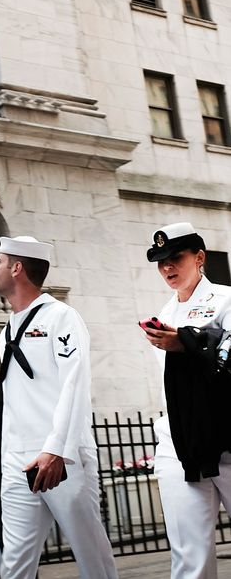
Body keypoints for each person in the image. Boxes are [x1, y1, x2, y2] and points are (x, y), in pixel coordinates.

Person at [0, 235, 117, 579]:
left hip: (61, 457)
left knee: (92, 555)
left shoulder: (62, 317)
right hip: (17, 460)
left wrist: (56, 450)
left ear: (17, 268)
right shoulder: (6, 330)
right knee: (14, 562)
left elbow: (74, 388)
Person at [142, 222, 231, 579]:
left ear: (199, 257)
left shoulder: (226, 299)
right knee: (188, 557)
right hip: (179, 441)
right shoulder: (162, 315)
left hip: (227, 436)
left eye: (175, 257)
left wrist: (188, 343)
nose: (167, 267)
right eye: (160, 261)